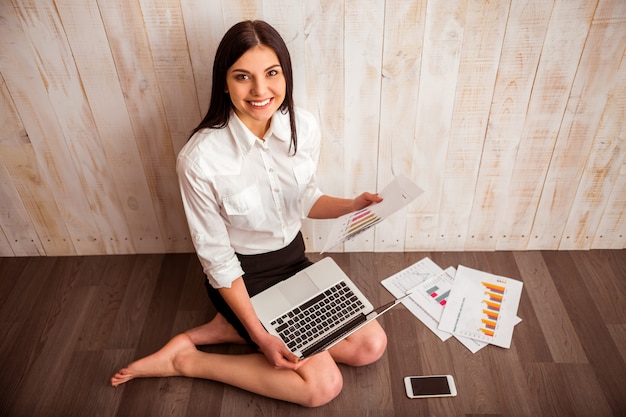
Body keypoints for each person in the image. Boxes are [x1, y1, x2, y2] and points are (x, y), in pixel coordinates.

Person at [110, 20, 387, 408]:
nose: (260, 90)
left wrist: (351, 205)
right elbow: (217, 259)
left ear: (285, 75)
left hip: (293, 262)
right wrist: (261, 335)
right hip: (242, 278)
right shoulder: (200, 159)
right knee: (322, 387)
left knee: (370, 346)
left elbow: (304, 197)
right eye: (243, 77)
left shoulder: (302, 126)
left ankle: (229, 330)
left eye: (272, 73)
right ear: (224, 83)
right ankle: (187, 358)